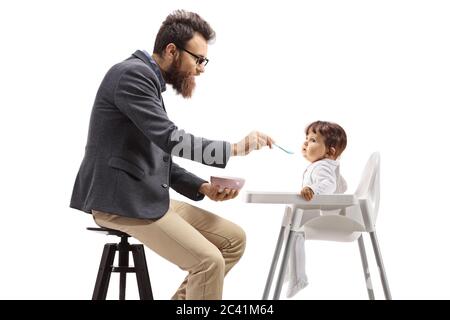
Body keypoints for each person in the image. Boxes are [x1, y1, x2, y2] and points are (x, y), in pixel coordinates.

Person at [70, 10, 274, 300]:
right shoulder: (131, 76)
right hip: (121, 201)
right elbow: (170, 138)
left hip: (144, 195)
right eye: (198, 59)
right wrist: (234, 149)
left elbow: (157, 153)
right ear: (171, 50)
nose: (201, 68)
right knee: (208, 262)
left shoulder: (147, 81)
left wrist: (201, 187)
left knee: (233, 239)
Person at [285, 120, 347, 298]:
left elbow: (329, 184)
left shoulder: (323, 166)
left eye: (313, 140)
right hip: (317, 212)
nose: (306, 143)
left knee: (294, 234)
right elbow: (342, 184)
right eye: (306, 138)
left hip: (321, 215)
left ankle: (298, 278)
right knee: (291, 233)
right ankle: (291, 273)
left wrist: (313, 190)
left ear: (330, 151)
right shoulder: (322, 165)